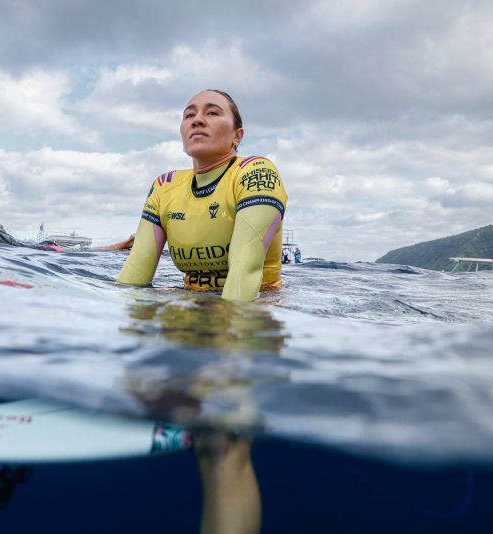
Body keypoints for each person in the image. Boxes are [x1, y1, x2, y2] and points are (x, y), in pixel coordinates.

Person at [117, 89, 287, 534]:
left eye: (213, 113)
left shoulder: (256, 173)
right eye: (189, 114)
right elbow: (135, 275)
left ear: (237, 134)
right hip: (188, 306)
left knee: (222, 440)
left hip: (253, 310)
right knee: (123, 396)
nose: (197, 119)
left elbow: (246, 271)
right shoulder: (163, 186)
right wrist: (121, 343)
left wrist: (226, 352)